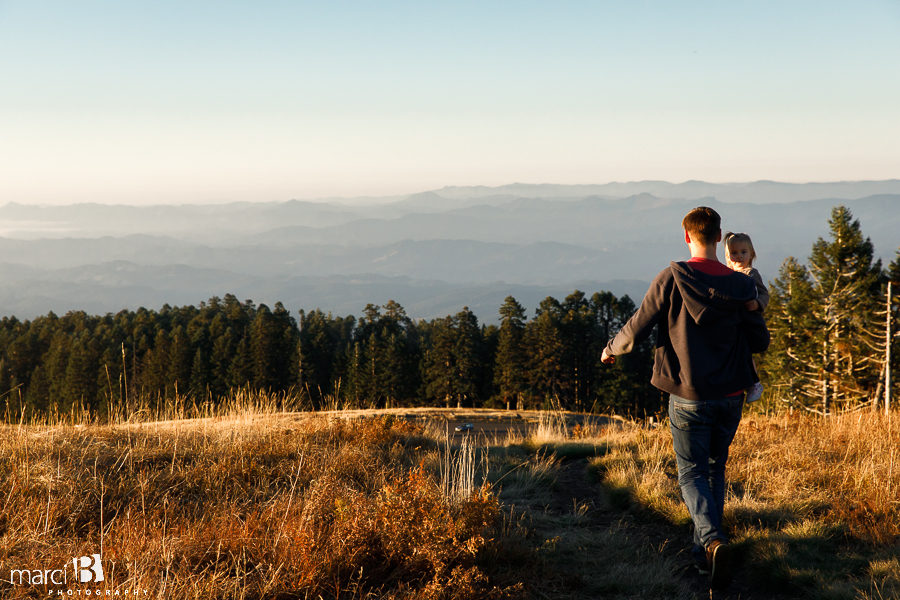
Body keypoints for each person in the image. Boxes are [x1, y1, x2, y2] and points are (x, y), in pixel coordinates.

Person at [600, 206, 769, 589]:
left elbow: (637, 325)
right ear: (718, 237)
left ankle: (710, 540)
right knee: (714, 470)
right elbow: (760, 340)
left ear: (688, 237)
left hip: (688, 395)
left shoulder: (672, 277)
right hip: (730, 395)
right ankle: (704, 558)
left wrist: (611, 348)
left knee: (692, 472)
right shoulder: (743, 285)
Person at [723, 231, 769, 403]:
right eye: (734, 253)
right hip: (735, 323)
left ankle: (754, 383)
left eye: (743, 252)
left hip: (747, 322)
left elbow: (764, 295)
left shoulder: (751, 273)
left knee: (745, 354)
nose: (739, 256)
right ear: (728, 256)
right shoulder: (728, 274)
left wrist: (757, 304)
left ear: (751, 254)